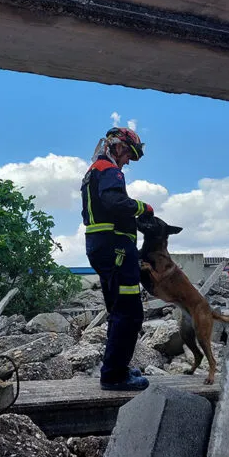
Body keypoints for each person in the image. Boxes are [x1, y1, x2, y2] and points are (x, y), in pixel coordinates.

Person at [81, 127, 154, 391]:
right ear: (119, 146)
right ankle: (114, 376)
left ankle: (116, 368)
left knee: (117, 309)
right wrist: (143, 207)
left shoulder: (93, 171)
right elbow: (115, 202)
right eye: (129, 155)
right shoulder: (110, 170)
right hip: (115, 247)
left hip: (103, 247)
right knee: (130, 312)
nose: (128, 162)